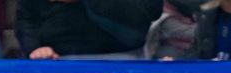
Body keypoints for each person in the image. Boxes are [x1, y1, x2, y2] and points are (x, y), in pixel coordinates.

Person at [16, 0, 162, 59]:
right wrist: (34, 48)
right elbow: (26, 17)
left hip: (122, 59)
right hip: (56, 60)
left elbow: (150, 10)